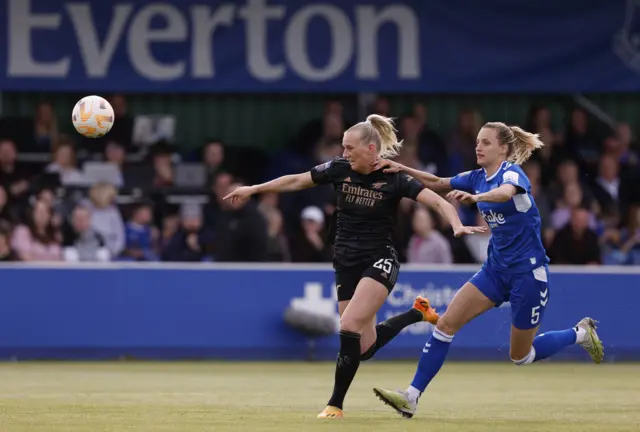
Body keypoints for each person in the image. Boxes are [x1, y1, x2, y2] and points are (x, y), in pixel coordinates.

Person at [224, 114, 485, 419]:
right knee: (363, 347)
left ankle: (335, 404)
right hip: (345, 260)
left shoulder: (394, 177)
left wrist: (456, 224)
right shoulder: (339, 169)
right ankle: (418, 312)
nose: (344, 153)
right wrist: (254, 189)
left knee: (347, 325)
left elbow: (439, 202)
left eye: (350, 148)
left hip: (380, 259)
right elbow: (296, 180)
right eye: (343, 147)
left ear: (371, 149)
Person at [371, 122, 605, 418]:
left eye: (486, 143)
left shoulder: (511, 174)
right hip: (495, 271)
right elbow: (439, 182)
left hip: (528, 275)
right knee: (445, 325)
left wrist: (477, 198)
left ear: (503, 149)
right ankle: (411, 397)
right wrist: (401, 168)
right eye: (478, 142)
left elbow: (505, 193)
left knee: (521, 356)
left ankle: (581, 333)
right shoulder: (477, 177)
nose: (478, 147)